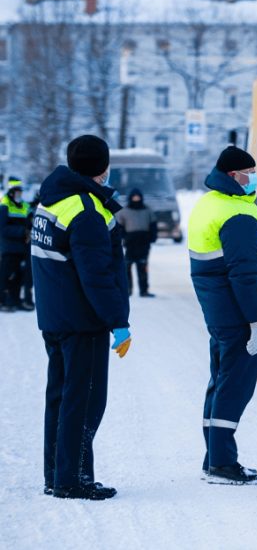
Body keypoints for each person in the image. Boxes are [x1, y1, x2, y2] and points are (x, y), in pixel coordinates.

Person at [31, 135, 131, 500]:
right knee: (85, 401)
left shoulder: (54, 200)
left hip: (56, 318)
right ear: (102, 168)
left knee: (61, 398)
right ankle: (72, 479)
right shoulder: (87, 210)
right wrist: (117, 320)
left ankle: (57, 473)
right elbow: (97, 275)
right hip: (82, 322)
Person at [188, 145, 257, 485]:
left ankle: (214, 458)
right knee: (235, 386)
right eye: (249, 172)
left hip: (219, 310)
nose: (254, 177)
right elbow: (243, 273)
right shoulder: (238, 213)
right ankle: (223, 465)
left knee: (221, 381)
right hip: (237, 313)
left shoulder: (209, 204)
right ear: (233, 176)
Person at [116, 188, 157, 297]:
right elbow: (120, 227)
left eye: (138, 197)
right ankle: (128, 290)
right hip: (130, 242)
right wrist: (124, 237)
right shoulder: (124, 211)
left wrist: (152, 237)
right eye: (134, 197)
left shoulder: (147, 210)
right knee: (127, 266)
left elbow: (153, 225)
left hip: (144, 242)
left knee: (143, 266)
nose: (136, 199)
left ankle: (144, 290)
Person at [1, 178, 34, 311]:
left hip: (22, 247)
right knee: (5, 275)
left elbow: (30, 221)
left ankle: (15, 301)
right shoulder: (4, 206)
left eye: (20, 192)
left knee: (20, 276)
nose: (19, 195)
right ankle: (2, 301)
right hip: (9, 247)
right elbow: (2, 228)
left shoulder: (25, 206)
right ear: (11, 193)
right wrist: (22, 231)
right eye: (17, 192)